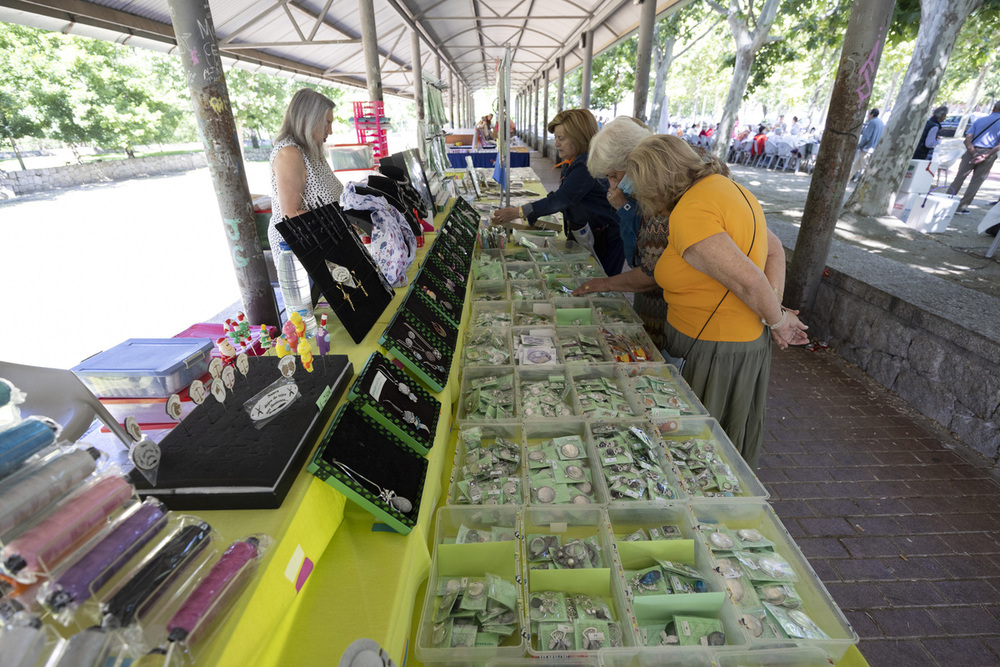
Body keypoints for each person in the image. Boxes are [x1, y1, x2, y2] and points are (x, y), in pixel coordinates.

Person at [623, 134, 809, 469]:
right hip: (734, 343)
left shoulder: (691, 212)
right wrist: (773, 310)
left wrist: (778, 320)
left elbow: (750, 281)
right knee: (720, 445)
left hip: (714, 352)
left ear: (657, 182)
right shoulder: (725, 188)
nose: (638, 196)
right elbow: (773, 248)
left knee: (700, 453)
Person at [490, 109, 625, 275]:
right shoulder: (574, 160)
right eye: (556, 138)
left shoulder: (586, 165)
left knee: (603, 280)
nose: (557, 144)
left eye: (561, 138)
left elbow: (562, 199)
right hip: (588, 231)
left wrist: (517, 212)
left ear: (579, 137)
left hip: (605, 238)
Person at [573, 117, 668, 345]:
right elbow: (635, 256)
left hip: (670, 303)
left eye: (613, 176)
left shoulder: (659, 196)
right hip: (650, 296)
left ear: (630, 161)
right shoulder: (640, 191)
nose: (612, 185)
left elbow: (648, 271)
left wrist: (605, 283)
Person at [268, 88, 342, 252]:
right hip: (300, 248)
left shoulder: (311, 149)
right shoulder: (289, 153)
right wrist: (340, 223)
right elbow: (290, 216)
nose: (330, 131)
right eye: (327, 123)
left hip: (322, 240)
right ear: (308, 121)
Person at [950, 101, 1000, 215]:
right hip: (988, 154)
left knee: (959, 178)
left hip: (971, 151)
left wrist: (974, 153)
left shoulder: (979, 120)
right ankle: (961, 207)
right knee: (976, 182)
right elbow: (998, 146)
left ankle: (947, 199)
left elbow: (967, 139)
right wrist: (984, 156)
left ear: (993, 108)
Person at [851, 108, 884, 181]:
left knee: (865, 169)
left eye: (868, 114)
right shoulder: (881, 123)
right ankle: (846, 181)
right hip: (873, 148)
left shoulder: (872, 122)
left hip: (867, 148)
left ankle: (865, 184)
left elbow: (866, 137)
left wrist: (859, 146)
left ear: (872, 115)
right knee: (855, 167)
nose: (867, 116)